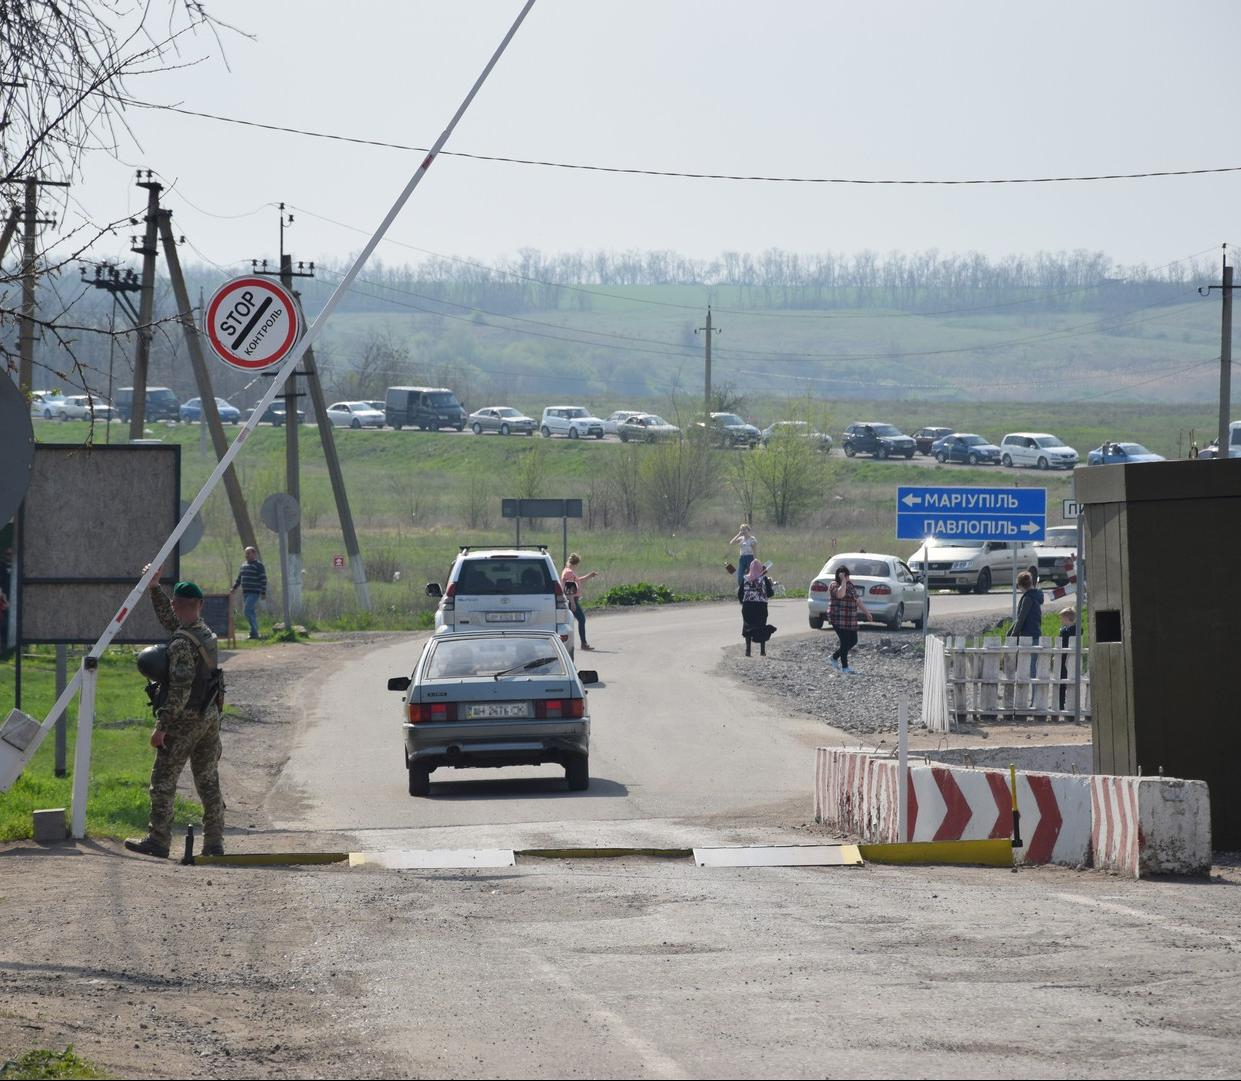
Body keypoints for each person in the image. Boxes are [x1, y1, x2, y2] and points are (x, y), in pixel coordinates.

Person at [125, 570, 225, 859]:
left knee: (163, 782)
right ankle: (214, 844)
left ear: (177, 604)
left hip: (185, 720)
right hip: (209, 718)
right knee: (208, 781)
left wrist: (161, 727)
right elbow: (173, 622)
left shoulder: (181, 645)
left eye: (173, 605)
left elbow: (179, 689)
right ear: (200, 605)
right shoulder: (204, 632)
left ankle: (158, 840)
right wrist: (155, 589)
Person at [828, 565, 871, 675]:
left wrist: (867, 613)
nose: (847, 578)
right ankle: (845, 667)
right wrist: (842, 581)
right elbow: (840, 594)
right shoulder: (833, 585)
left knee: (853, 641)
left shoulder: (850, 585)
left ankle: (834, 657)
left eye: (847, 576)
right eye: (845, 576)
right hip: (838, 619)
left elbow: (857, 600)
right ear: (840, 576)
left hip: (850, 619)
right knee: (845, 642)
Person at [1009, 571, 1044, 679]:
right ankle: (1035, 693)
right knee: (1034, 664)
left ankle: (1028, 691)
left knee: (1025, 665)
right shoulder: (1037, 596)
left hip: (1026, 636)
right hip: (1036, 634)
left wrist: (1012, 635)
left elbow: (1021, 618)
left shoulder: (1027, 598)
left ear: (1020, 586)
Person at [737, 558, 776, 657]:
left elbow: (740, 593)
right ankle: (762, 651)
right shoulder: (764, 579)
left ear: (750, 568)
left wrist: (744, 602)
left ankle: (748, 651)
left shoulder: (745, 579)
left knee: (748, 627)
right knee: (761, 626)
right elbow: (770, 593)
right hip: (761, 607)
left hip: (748, 607)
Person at [561, 553, 598, 652]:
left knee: (567, 622)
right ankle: (583, 643)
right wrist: (572, 602)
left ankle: (569, 643)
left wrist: (589, 576)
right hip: (571, 599)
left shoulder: (568, 571)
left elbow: (577, 581)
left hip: (571, 599)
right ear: (575, 563)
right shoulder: (569, 572)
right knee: (581, 619)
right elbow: (569, 588)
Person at [230, 546, 267, 640]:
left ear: (254, 554)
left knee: (246, 611)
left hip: (254, 592)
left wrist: (263, 592)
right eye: (246, 553)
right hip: (246, 592)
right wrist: (234, 588)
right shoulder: (243, 565)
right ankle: (254, 633)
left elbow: (263, 579)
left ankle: (254, 632)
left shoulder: (258, 565)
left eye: (248, 553)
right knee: (251, 612)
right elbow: (239, 578)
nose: (246, 555)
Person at [1058, 607, 1078, 712]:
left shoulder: (1067, 631)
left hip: (1065, 657)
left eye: (1062, 618)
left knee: (1063, 682)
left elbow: (1064, 635)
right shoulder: (1075, 629)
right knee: (1065, 682)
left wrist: (1061, 631)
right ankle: (1063, 704)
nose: (1061, 620)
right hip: (1068, 657)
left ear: (1066, 618)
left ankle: (1062, 704)